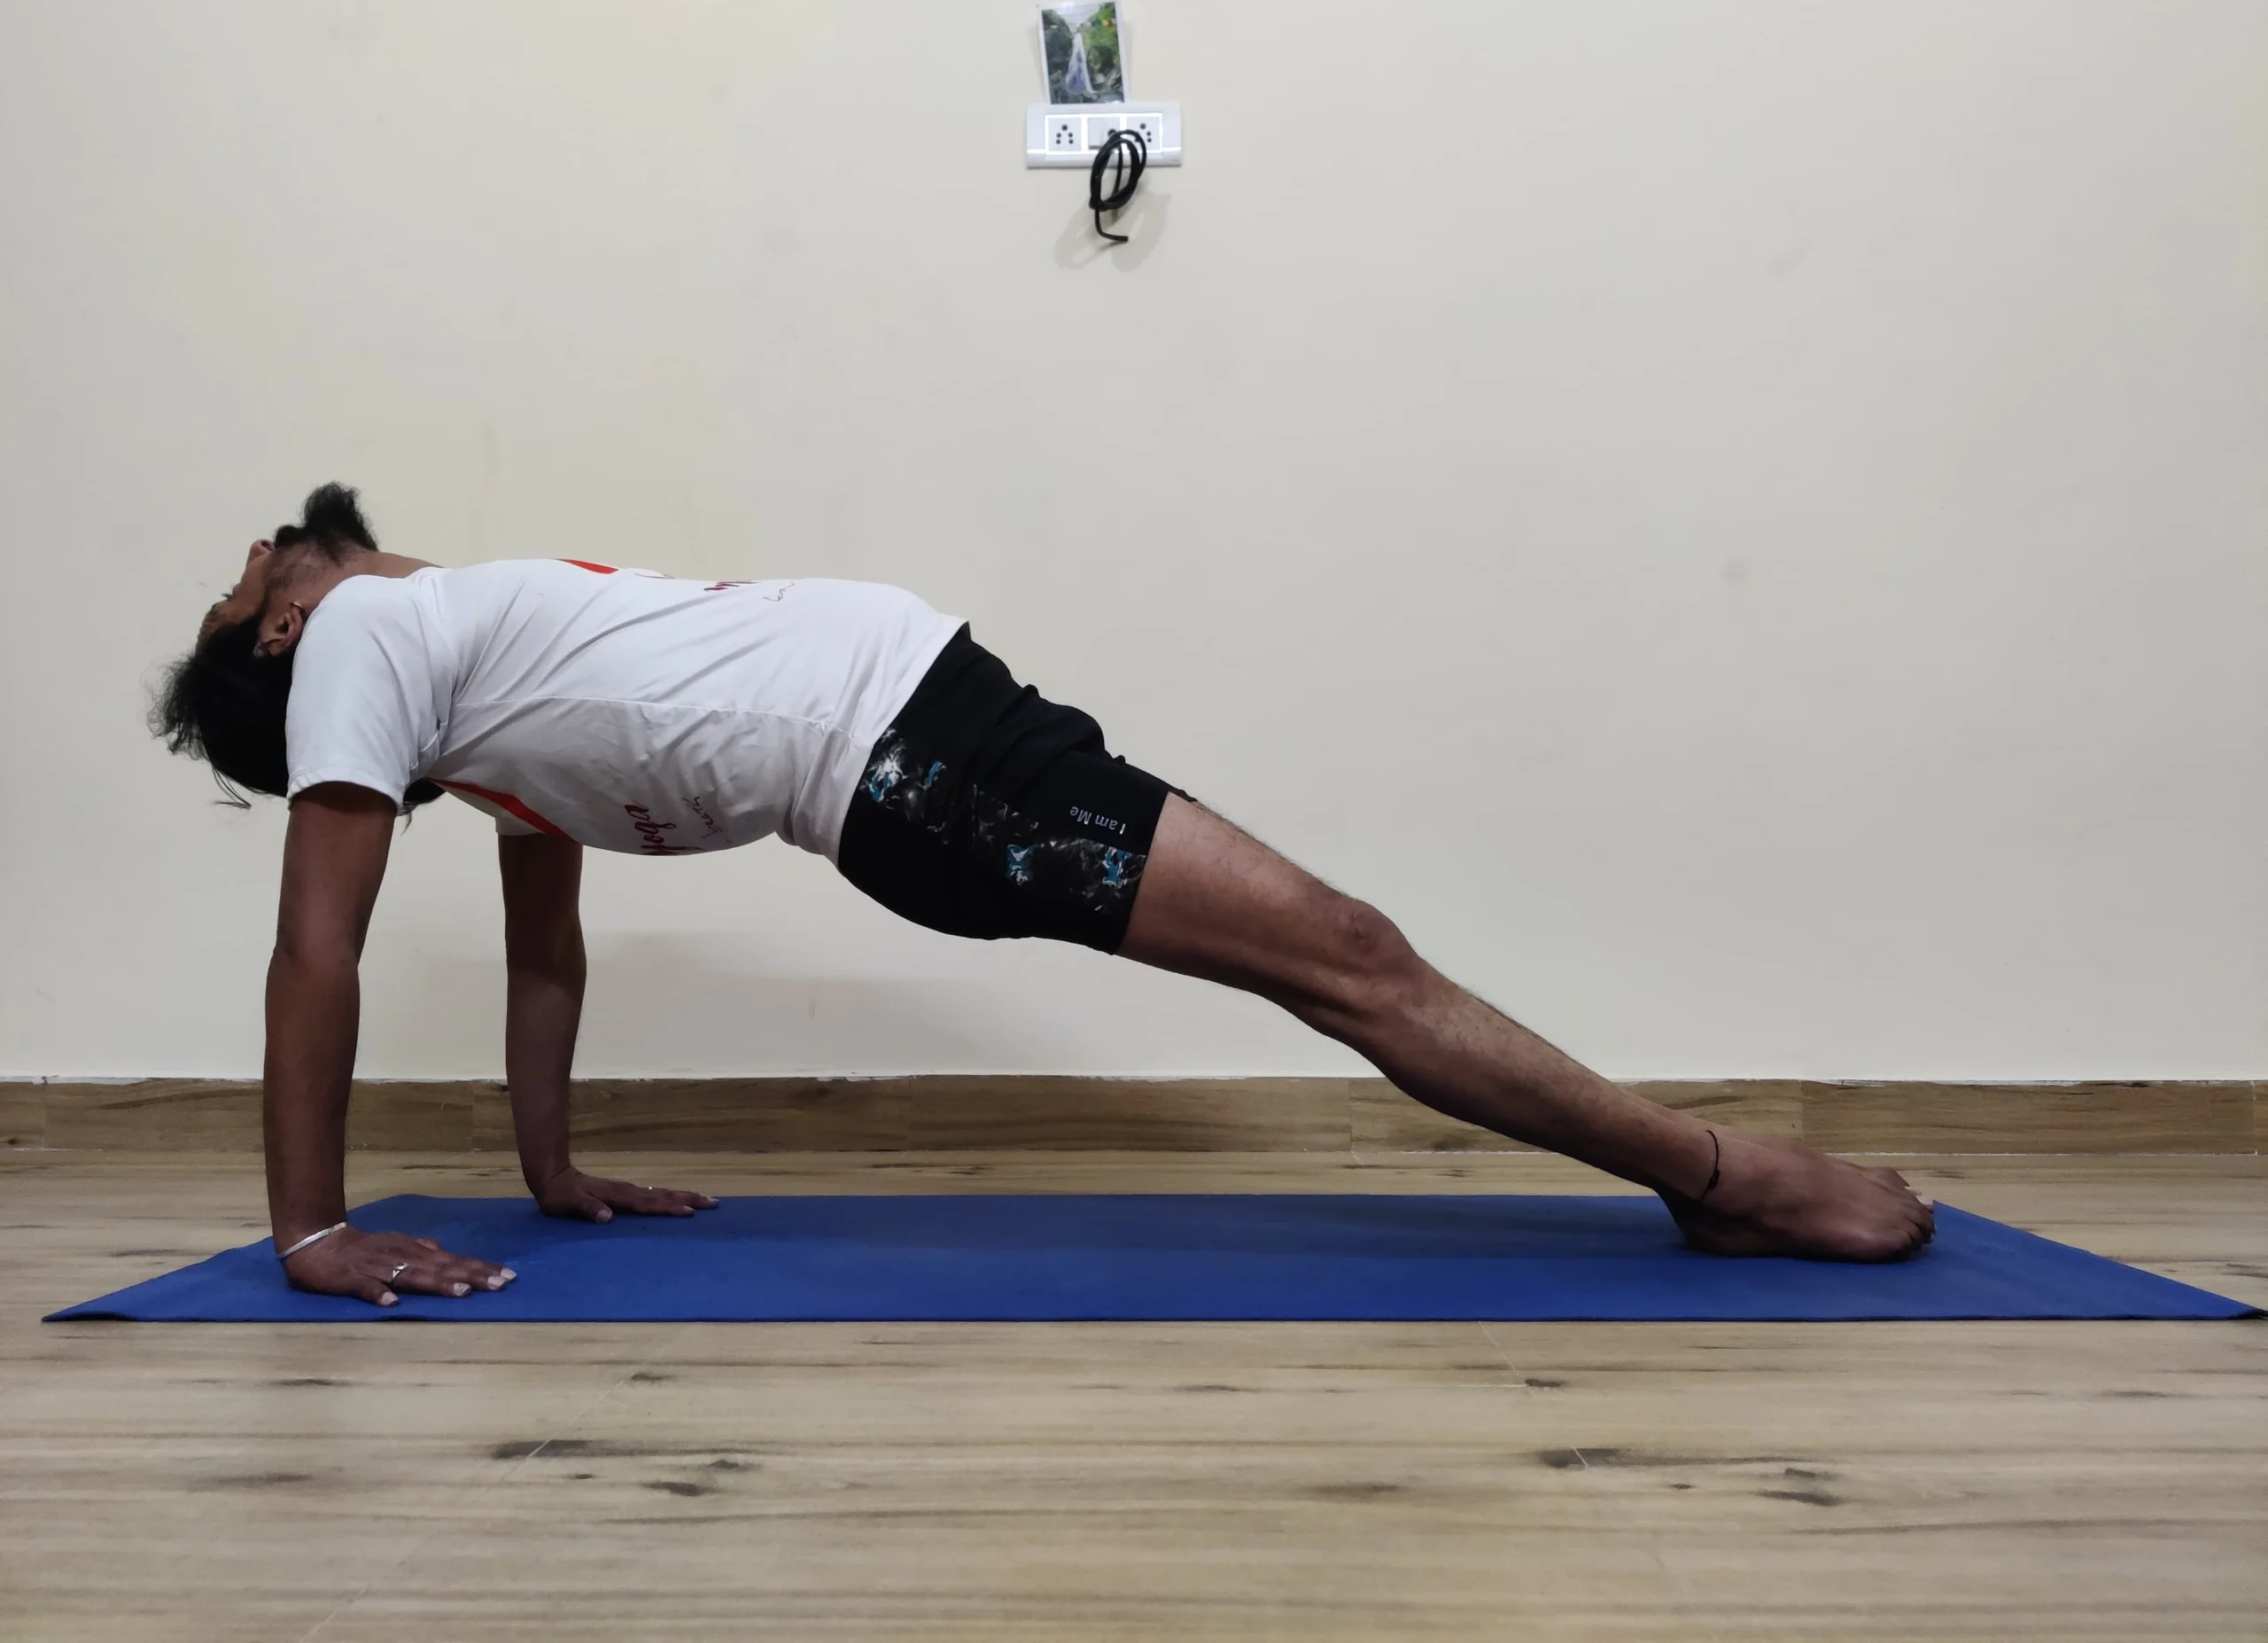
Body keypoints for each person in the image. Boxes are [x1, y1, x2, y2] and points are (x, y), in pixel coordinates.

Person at [154, 486, 1934, 1306]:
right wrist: (306, 1229)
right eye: (262, 577)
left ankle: (1704, 1177)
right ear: (290, 643)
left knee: (1341, 964)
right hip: (928, 774)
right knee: (1352, 961)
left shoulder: (485, 713)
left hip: (936, 756)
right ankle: (1720, 1180)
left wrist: (550, 1168)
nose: (280, 545)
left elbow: (546, 948)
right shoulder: (371, 647)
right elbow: (318, 944)